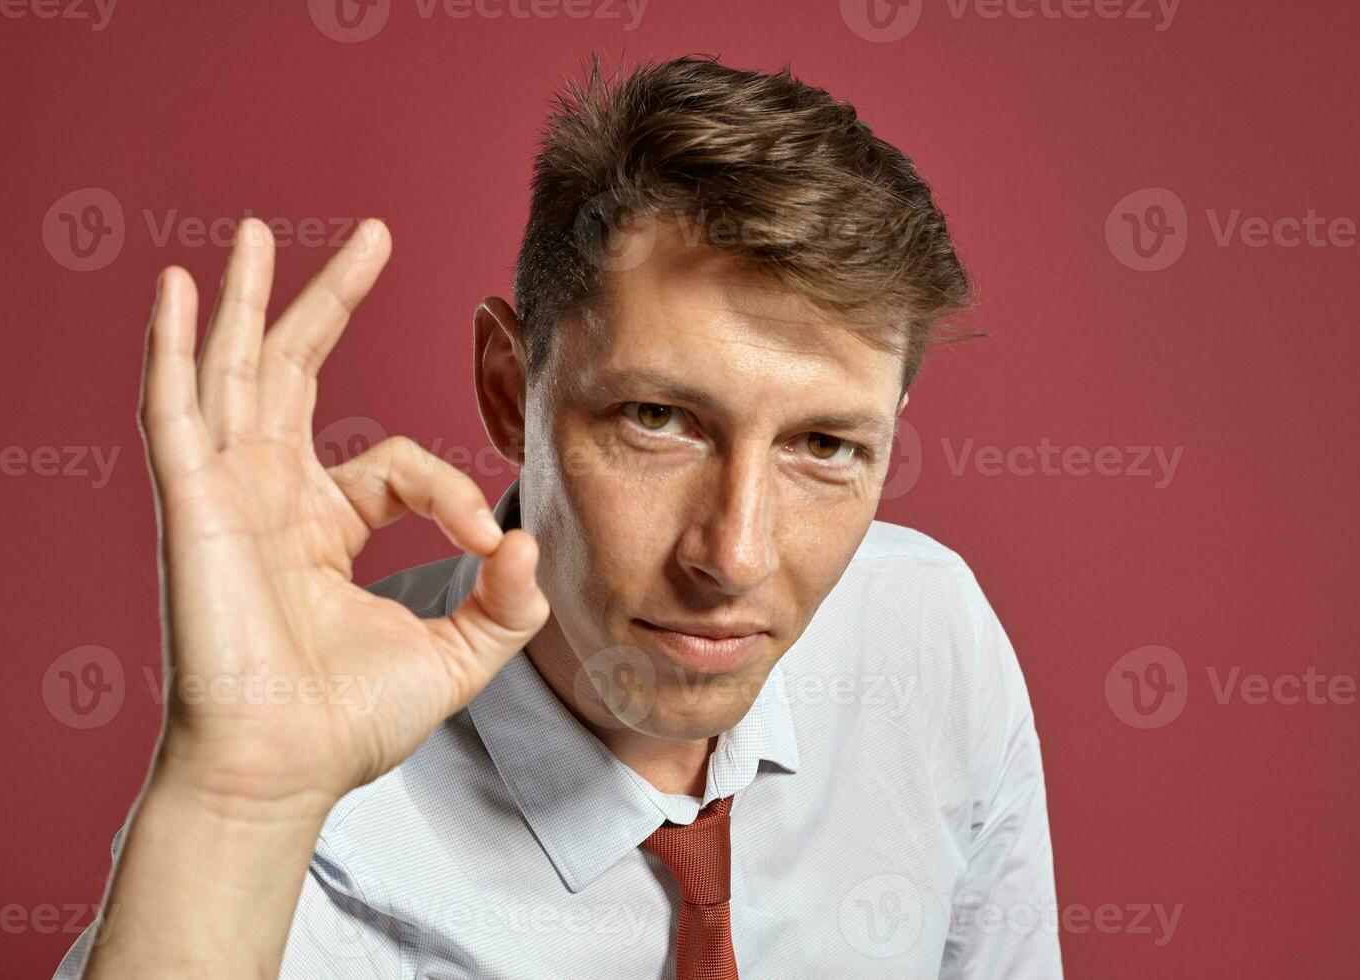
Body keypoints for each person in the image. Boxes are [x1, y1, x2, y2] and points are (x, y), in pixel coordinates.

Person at [54, 53, 1061, 978]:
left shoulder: (930, 633)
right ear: (508, 388)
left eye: (825, 446)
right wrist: (232, 803)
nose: (736, 555)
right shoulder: (316, 815)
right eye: (658, 418)